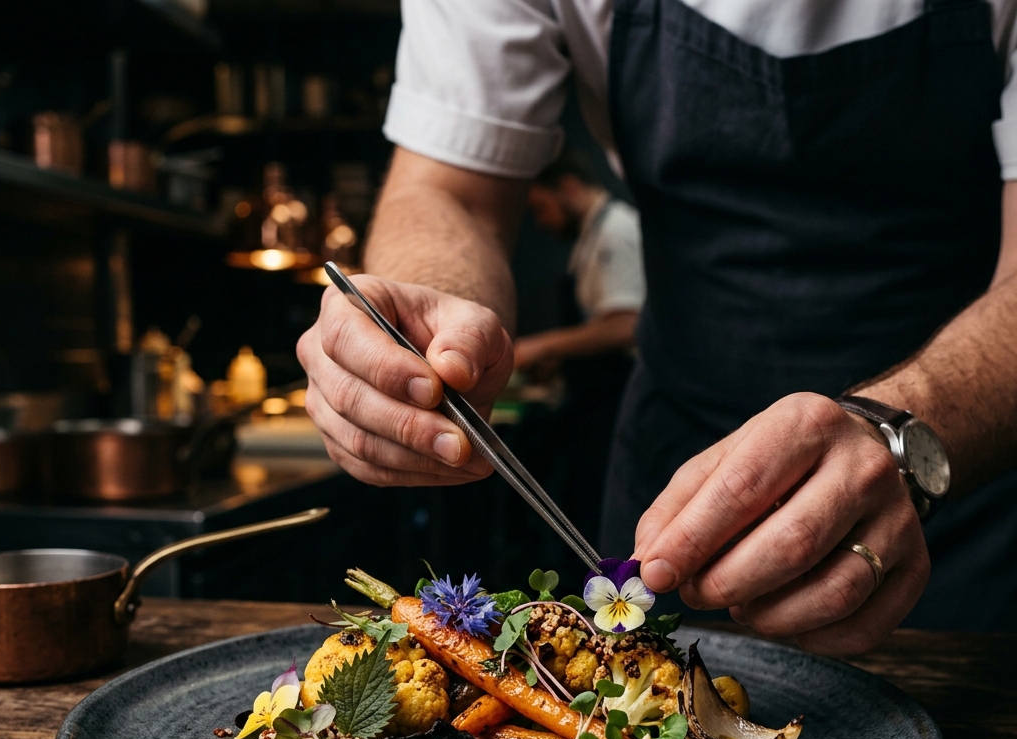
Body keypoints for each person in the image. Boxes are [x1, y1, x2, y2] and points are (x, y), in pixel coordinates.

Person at [298, 0, 1017, 655]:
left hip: (953, 467)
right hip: (675, 467)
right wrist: (429, 318)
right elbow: (448, 190)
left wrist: (901, 438)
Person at [513, 150, 645, 375]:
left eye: (541, 207)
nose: (541, 222)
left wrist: (539, 347)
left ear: (569, 188)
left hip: (632, 373)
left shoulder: (615, 231)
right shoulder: (592, 234)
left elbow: (627, 325)